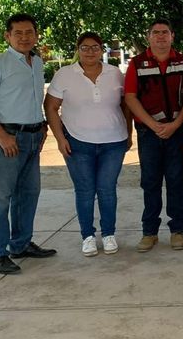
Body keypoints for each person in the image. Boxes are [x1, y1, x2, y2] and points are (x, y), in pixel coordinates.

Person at [0, 13, 57, 275]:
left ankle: (20, 245)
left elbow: (33, 99)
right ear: (7, 36)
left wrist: (42, 126)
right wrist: (1, 135)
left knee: (29, 193)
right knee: (1, 197)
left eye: (29, 32)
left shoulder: (36, 63)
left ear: (36, 35)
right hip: (8, 137)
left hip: (33, 136)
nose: (24, 37)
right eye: (18, 33)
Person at [44, 32, 132, 257]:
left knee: (107, 190)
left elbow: (127, 105)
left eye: (95, 47)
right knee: (84, 191)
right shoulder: (64, 75)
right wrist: (60, 138)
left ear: (102, 50)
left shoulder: (115, 74)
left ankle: (109, 234)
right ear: (78, 49)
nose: (90, 51)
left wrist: (128, 132)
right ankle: (88, 236)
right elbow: (51, 107)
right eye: (85, 47)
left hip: (113, 142)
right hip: (77, 142)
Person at [124, 19, 183, 253]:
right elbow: (131, 97)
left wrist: (176, 124)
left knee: (176, 181)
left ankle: (177, 230)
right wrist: (153, 124)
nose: (161, 37)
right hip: (148, 132)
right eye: (156, 33)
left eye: (165, 32)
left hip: (176, 131)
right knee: (150, 182)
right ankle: (149, 232)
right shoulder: (137, 64)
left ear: (172, 36)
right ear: (149, 37)